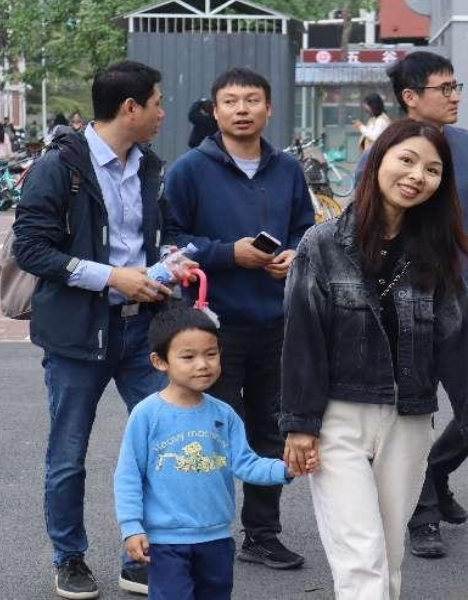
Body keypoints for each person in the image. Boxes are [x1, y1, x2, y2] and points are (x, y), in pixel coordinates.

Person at [281, 119, 468, 600]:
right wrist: (299, 423)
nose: (418, 176)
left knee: (388, 556)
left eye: (433, 170)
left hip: (408, 417)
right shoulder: (321, 245)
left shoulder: (439, 253)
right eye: (407, 160)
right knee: (361, 556)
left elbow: (458, 338)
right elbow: (302, 338)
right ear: (378, 161)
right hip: (339, 417)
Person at [13, 59, 176, 599]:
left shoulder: (150, 166)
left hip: (142, 330)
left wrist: (169, 264)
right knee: (69, 454)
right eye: (157, 103)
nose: (162, 113)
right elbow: (32, 249)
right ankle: (69, 557)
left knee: (161, 443)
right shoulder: (59, 167)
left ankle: (140, 556)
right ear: (130, 107)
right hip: (79, 332)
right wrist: (111, 277)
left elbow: (159, 234)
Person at [358, 51, 468, 559]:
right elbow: (366, 223)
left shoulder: (466, 144)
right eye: (444, 88)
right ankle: (421, 515)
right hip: (410, 299)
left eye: (455, 86)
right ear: (410, 96)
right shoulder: (385, 152)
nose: (454, 96)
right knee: (415, 406)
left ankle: (436, 470)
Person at [164, 67, 315, 571]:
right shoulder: (189, 169)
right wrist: (230, 253)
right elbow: (170, 240)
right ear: (215, 111)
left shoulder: (287, 169)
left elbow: (305, 228)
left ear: (268, 108)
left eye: (252, 100)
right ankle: (200, 533)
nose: (242, 109)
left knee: (271, 427)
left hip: (278, 321)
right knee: (210, 431)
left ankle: (262, 534)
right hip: (213, 327)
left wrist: (294, 253)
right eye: (231, 101)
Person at [114, 307, 316, 600]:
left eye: (211, 354)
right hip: (165, 541)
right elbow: (128, 475)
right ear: (160, 361)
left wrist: (285, 469)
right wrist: (131, 527)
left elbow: (245, 463)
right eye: (188, 357)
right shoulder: (146, 414)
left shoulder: (224, 414)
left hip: (216, 537)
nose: (202, 364)